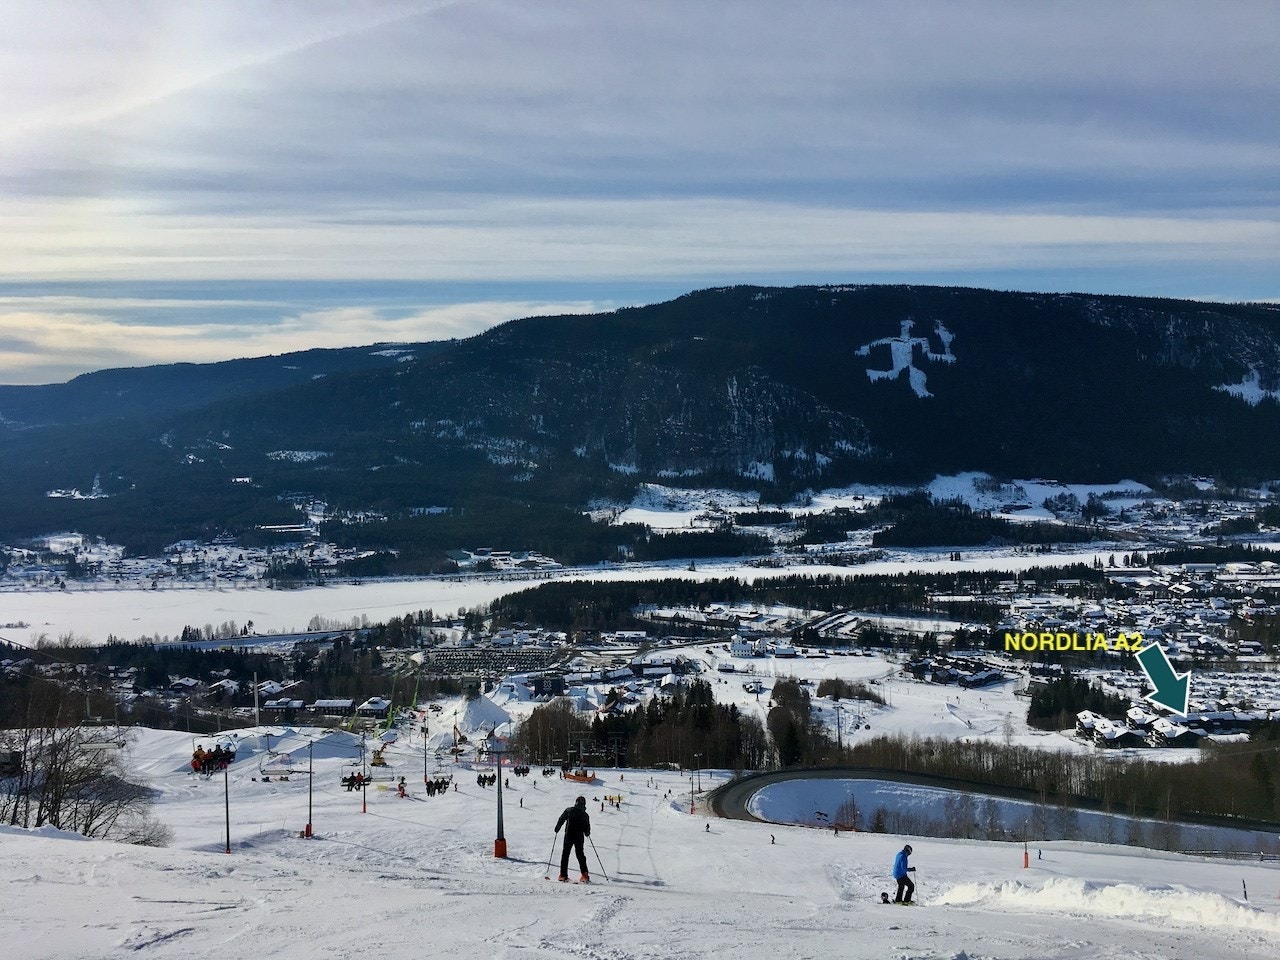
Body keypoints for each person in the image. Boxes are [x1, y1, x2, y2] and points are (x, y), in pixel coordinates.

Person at [555, 795, 591, 882]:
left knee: (565, 855)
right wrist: (587, 833)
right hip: (579, 838)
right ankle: (585, 875)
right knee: (580, 855)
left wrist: (557, 828)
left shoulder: (569, 810)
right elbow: (587, 829)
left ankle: (563, 875)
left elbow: (561, 819)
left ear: (576, 802)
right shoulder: (585, 815)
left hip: (569, 836)